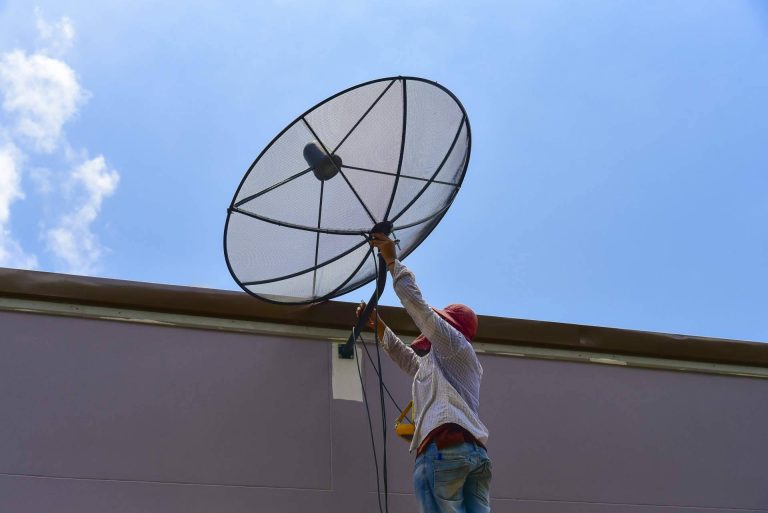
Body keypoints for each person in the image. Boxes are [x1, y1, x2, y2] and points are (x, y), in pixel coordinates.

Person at [357, 232, 492, 513]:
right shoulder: (445, 362)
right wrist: (379, 327)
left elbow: (419, 311)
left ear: (452, 328)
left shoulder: (454, 345)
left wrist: (393, 262)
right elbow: (407, 359)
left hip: (443, 449)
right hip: (474, 454)